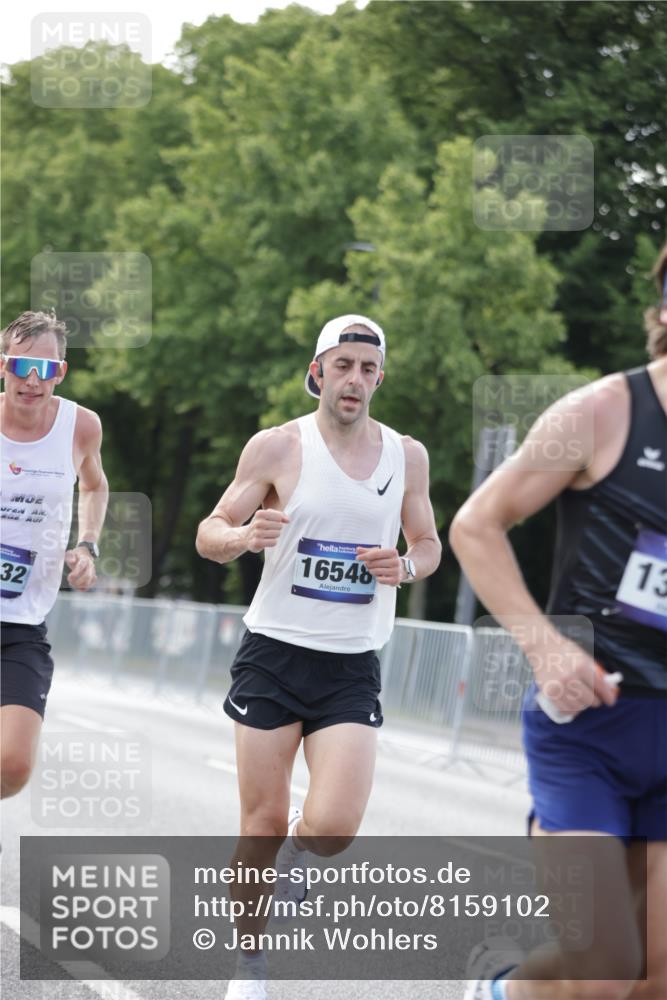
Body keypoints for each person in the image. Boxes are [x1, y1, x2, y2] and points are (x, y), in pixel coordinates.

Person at [196, 313, 441, 999]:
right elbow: (207, 532)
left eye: (367, 368)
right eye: (343, 366)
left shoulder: (406, 456)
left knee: (332, 827)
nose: (355, 380)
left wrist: (408, 567)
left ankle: (301, 857)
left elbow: (427, 541)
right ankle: (248, 964)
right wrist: (243, 536)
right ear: (318, 372)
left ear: (378, 378)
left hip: (350, 661)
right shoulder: (277, 448)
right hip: (273, 654)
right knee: (261, 823)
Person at [450, 246, 667, 1000]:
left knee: (655, 975)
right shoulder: (601, 411)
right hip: (588, 729)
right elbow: (477, 525)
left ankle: (508, 993)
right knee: (604, 966)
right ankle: (504, 993)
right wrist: (543, 648)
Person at [1, 310, 108, 799]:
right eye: (19, 367)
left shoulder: (80, 427)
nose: (31, 380)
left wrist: (87, 544)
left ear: (60, 373)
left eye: (44, 370)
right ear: (3, 367)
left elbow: (95, 485)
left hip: (22, 625)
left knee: (15, 765)